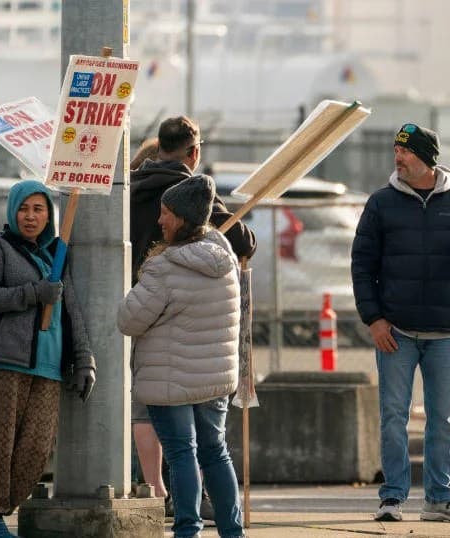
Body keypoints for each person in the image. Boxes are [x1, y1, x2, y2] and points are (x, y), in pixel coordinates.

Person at [351, 123, 450, 524]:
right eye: (396, 150)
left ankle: (439, 499)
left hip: (444, 333)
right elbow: (362, 266)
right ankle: (392, 498)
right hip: (395, 332)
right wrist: (374, 319)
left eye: (406, 151)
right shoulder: (380, 203)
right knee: (393, 419)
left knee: (442, 422)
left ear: (427, 158)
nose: (397, 157)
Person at [129, 116, 255, 515]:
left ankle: (155, 493)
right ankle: (211, 516)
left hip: (144, 314)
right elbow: (244, 241)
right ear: (194, 152)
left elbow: (127, 319)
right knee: (205, 446)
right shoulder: (193, 196)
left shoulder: (130, 187)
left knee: (146, 411)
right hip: (195, 335)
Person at [0, 180, 96, 538]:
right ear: (12, 211)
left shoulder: (57, 254)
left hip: (49, 368)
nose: (30, 216)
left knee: (36, 451)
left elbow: (72, 310)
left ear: (49, 215)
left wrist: (84, 359)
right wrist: (33, 293)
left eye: (38, 209)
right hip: (3, 361)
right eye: (24, 209)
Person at [118, 174, 244, 538]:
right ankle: (232, 531)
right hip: (215, 378)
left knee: (181, 454)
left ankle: (188, 530)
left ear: (182, 218)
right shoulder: (224, 259)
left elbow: (128, 319)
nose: (160, 220)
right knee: (215, 452)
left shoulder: (164, 267)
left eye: (166, 213)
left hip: (169, 379)